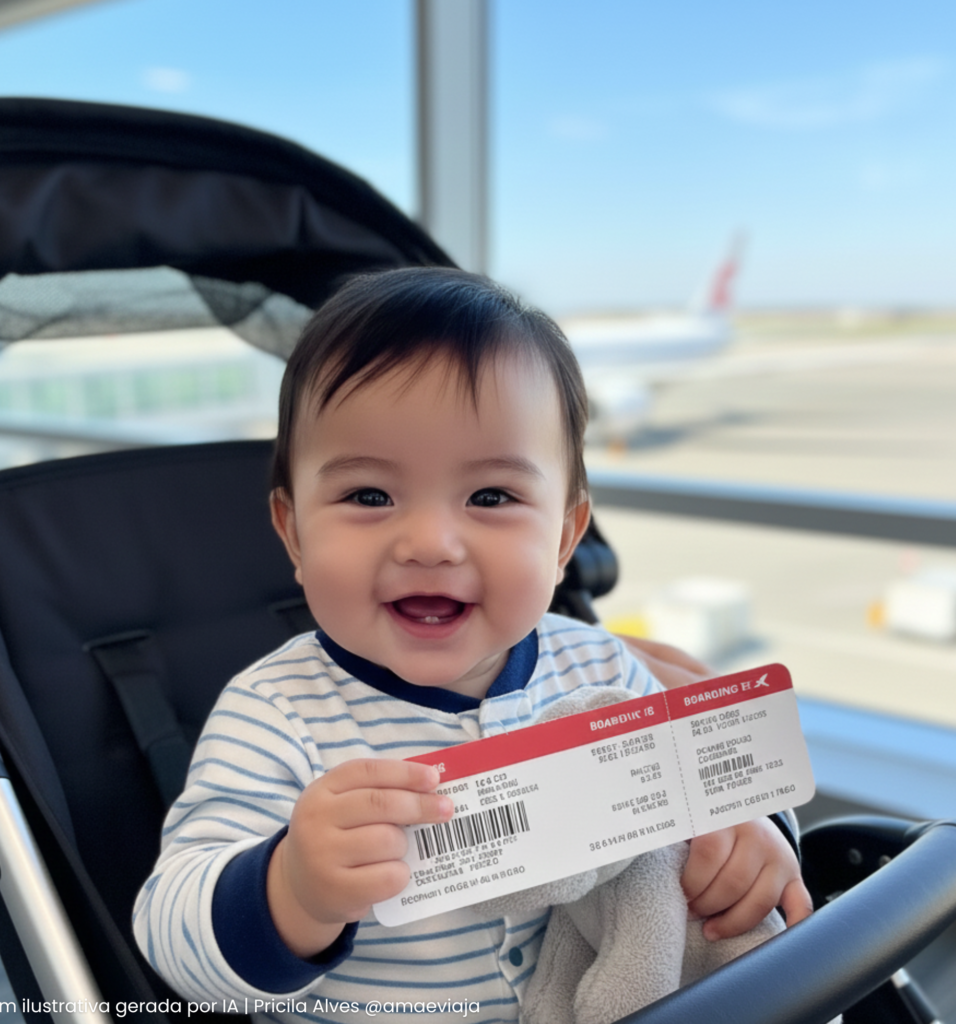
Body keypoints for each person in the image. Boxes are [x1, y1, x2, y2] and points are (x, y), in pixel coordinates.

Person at [133, 268, 810, 1022]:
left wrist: (750, 839)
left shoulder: (602, 667)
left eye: (491, 497)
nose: (429, 543)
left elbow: (712, 798)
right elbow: (171, 934)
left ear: (563, 537)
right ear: (293, 532)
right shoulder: (275, 716)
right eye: (369, 496)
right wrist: (292, 888)